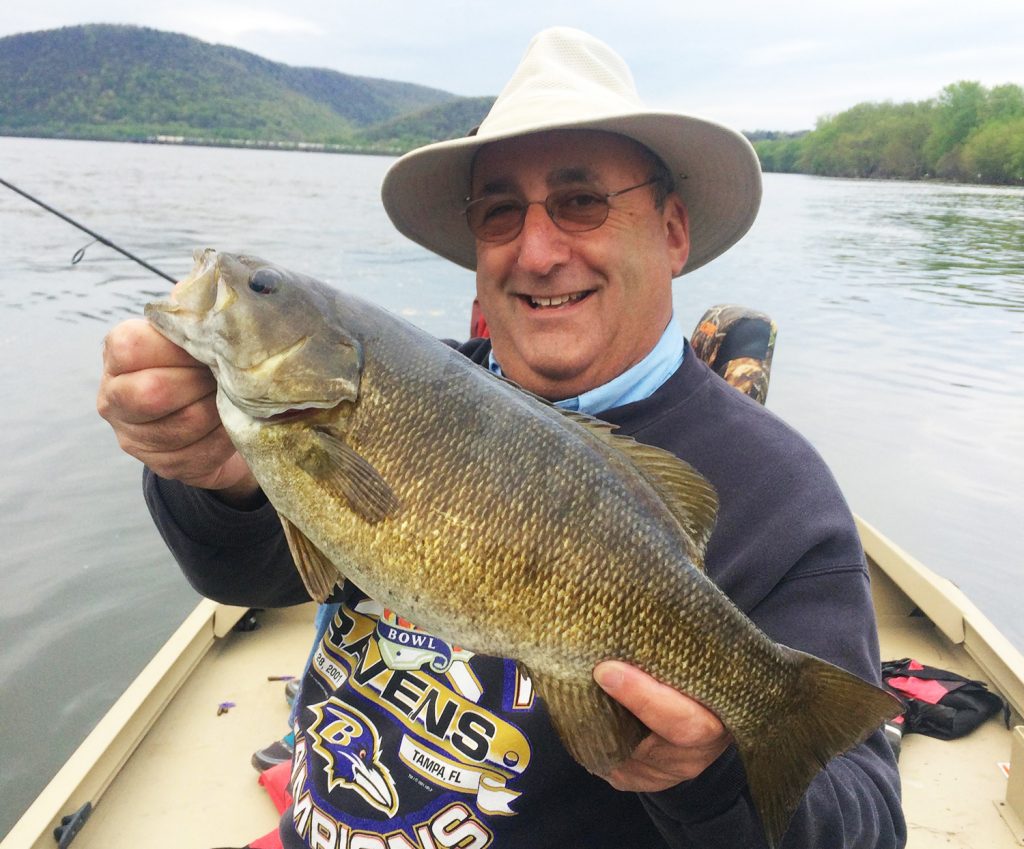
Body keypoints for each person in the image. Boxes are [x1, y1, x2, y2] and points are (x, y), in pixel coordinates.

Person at [97, 27, 904, 849]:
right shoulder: (407, 393)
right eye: (500, 211)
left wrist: (714, 773)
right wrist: (219, 479)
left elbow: (865, 825)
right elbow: (248, 574)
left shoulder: (778, 493)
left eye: (582, 201)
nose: (539, 249)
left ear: (671, 230)